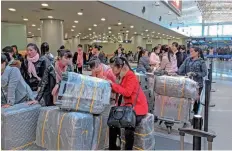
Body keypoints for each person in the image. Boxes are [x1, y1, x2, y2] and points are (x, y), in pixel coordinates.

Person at [107, 57, 148, 150]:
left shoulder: (130, 75)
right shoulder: (121, 76)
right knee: (112, 123)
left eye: (114, 68)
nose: (112, 70)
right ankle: (113, 147)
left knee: (128, 127)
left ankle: (128, 149)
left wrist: (113, 85)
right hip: (127, 107)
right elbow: (119, 90)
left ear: (120, 67)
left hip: (137, 107)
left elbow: (127, 92)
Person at [178, 46, 207, 114]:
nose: (190, 53)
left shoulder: (201, 61)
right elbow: (181, 68)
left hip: (197, 84)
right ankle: (186, 113)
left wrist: (195, 74)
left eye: (192, 51)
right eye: (190, 51)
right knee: (187, 98)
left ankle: (196, 114)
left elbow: (204, 73)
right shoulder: (187, 60)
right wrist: (178, 73)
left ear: (197, 52)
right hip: (187, 83)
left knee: (196, 99)